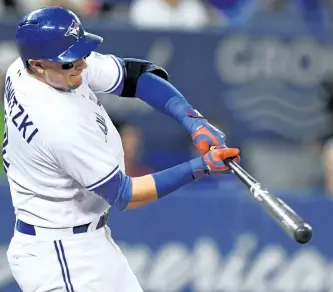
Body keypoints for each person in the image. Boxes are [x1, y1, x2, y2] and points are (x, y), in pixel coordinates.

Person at [4, 6, 240, 292]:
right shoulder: (57, 124)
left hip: (87, 239)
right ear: (39, 64)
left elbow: (134, 75)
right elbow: (125, 194)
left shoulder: (27, 68)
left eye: (80, 54)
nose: (81, 65)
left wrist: (194, 122)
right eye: (69, 61)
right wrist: (200, 167)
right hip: (60, 253)